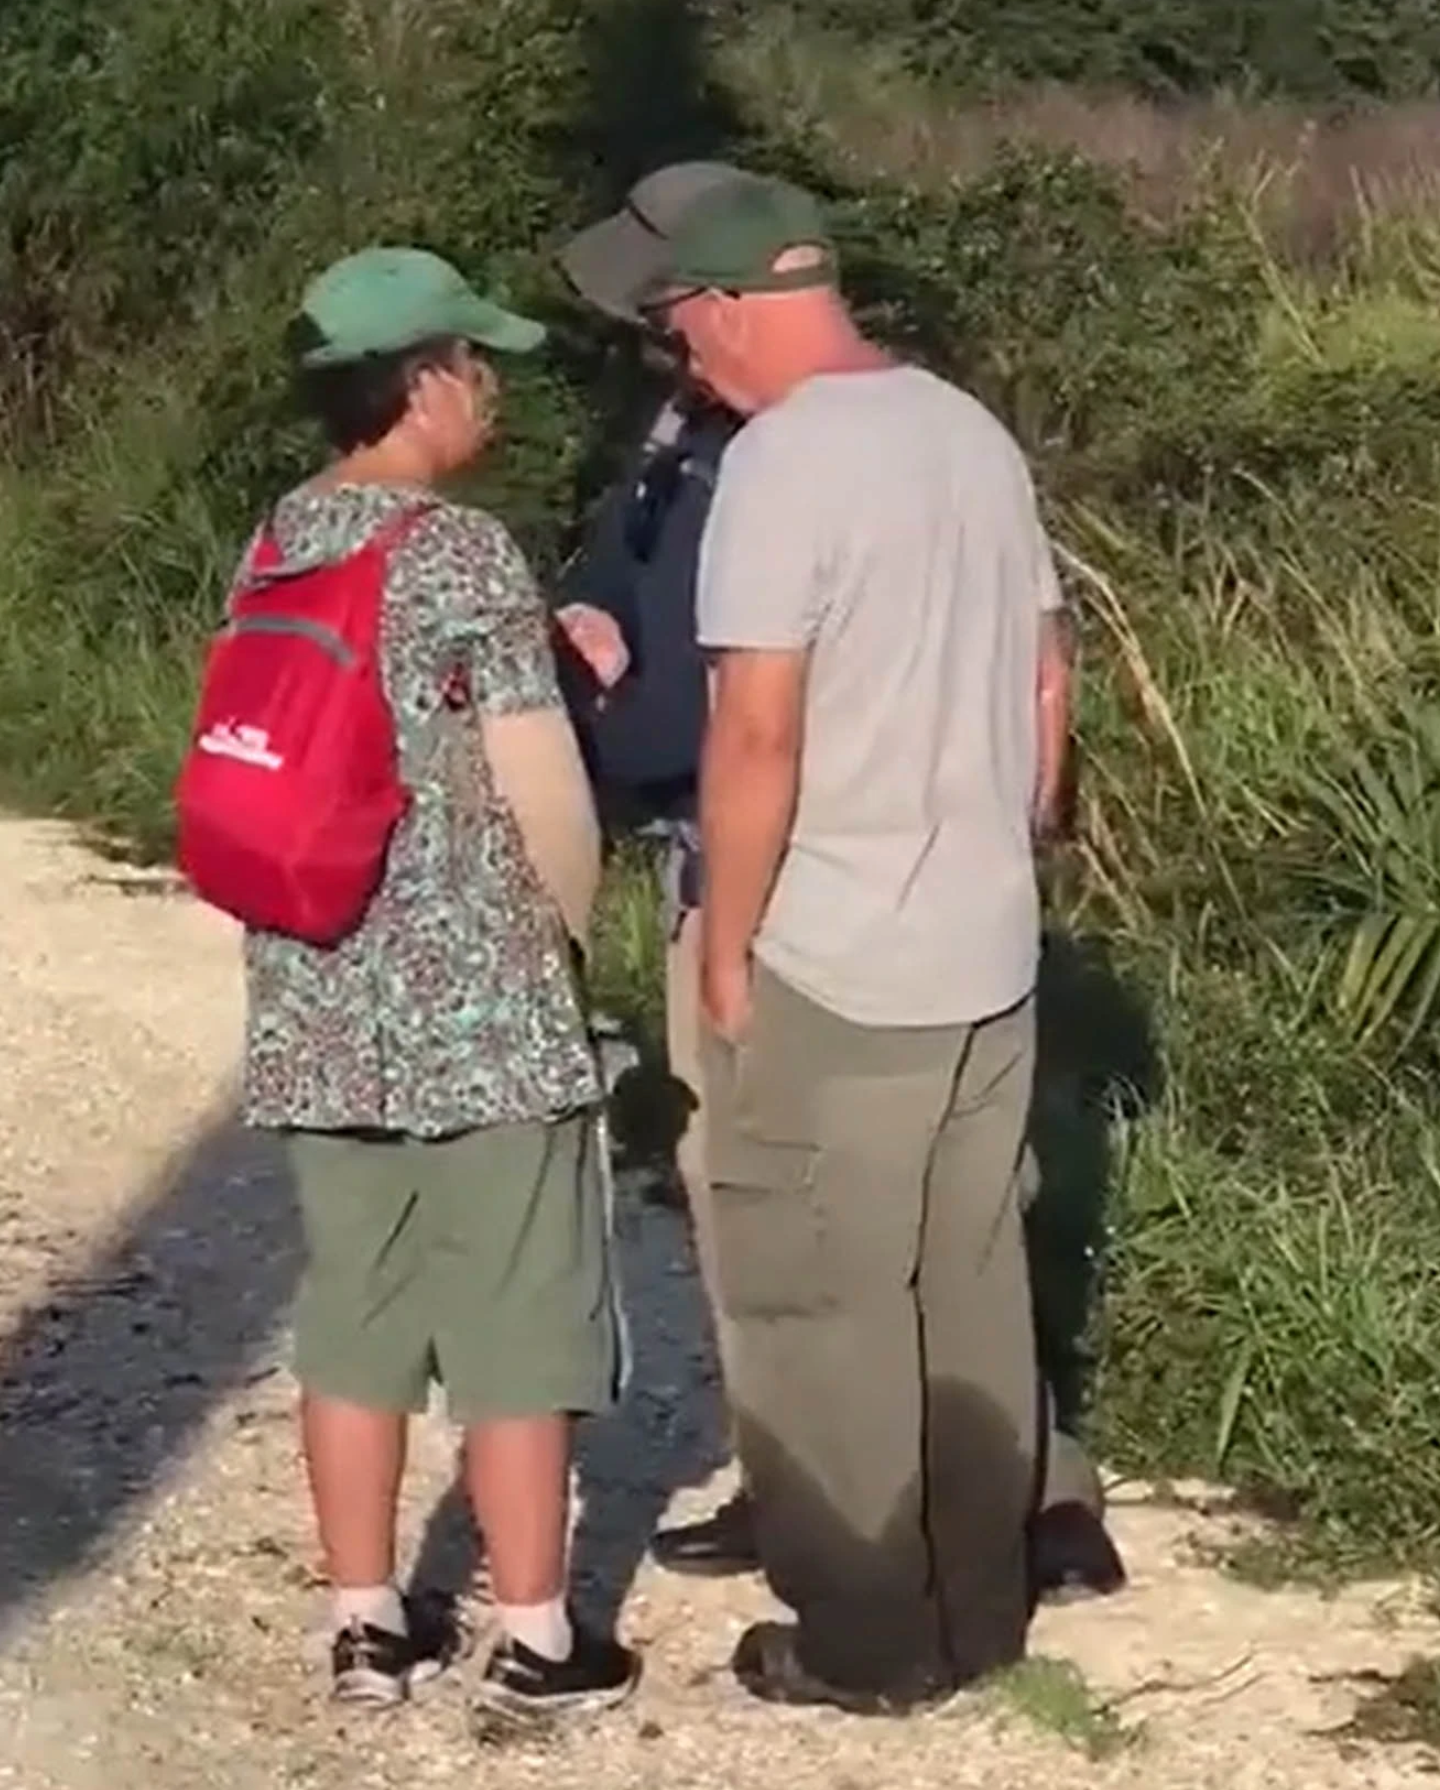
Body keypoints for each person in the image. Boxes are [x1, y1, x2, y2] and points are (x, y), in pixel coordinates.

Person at [559, 169, 1126, 1606]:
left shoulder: (785, 460)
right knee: (968, 1268)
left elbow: (757, 729)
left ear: (731, 303)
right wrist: (1011, 838)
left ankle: (868, 1621)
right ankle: (988, 1564)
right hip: (981, 943)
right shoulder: (965, 429)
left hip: (831, 941)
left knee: (819, 1289)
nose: (679, 353)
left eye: (682, 321)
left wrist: (730, 946)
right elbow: (1047, 674)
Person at [231, 246, 638, 1722]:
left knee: (355, 1310)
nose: (493, 391)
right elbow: (542, 796)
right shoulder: (461, 552)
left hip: (317, 984)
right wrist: (568, 942)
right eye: (478, 366)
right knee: (519, 1316)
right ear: (421, 384)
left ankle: (365, 1625)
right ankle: (535, 1634)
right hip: (478, 1001)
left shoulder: (279, 539)